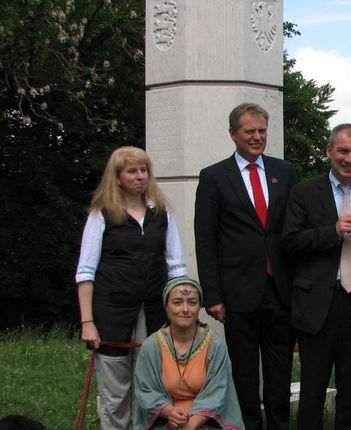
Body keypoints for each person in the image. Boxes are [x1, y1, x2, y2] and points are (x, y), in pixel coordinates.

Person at [194, 102, 297, 430]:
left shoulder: (286, 172)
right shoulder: (213, 177)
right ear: (233, 134)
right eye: (249, 131)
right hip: (237, 292)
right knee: (244, 372)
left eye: (262, 131)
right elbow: (205, 239)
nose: (257, 137)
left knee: (280, 370)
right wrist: (213, 295)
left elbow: (294, 230)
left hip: (280, 289)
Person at [282, 123, 351, 429]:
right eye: (342, 150)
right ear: (329, 151)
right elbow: (289, 243)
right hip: (317, 304)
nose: (349, 158)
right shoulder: (303, 192)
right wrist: (331, 232)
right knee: (312, 389)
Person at [75, 146, 188, 429]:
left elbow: (176, 267)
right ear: (117, 177)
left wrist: (182, 308)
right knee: (115, 395)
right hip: (112, 313)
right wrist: (87, 321)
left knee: (149, 390)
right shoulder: (102, 214)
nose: (140, 176)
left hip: (154, 313)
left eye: (143, 170)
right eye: (132, 171)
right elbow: (86, 272)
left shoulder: (162, 213)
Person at [134, 276, 245, 430]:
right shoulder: (152, 346)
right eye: (177, 302)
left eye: (192, 302)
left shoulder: (215, 345)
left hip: (207, 420)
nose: (185, 309)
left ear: (199, 307)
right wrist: (170, 413)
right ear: (166, 306)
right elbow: (146, 390)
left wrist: (190, 425)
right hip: (165, 420)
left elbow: (217, 392)